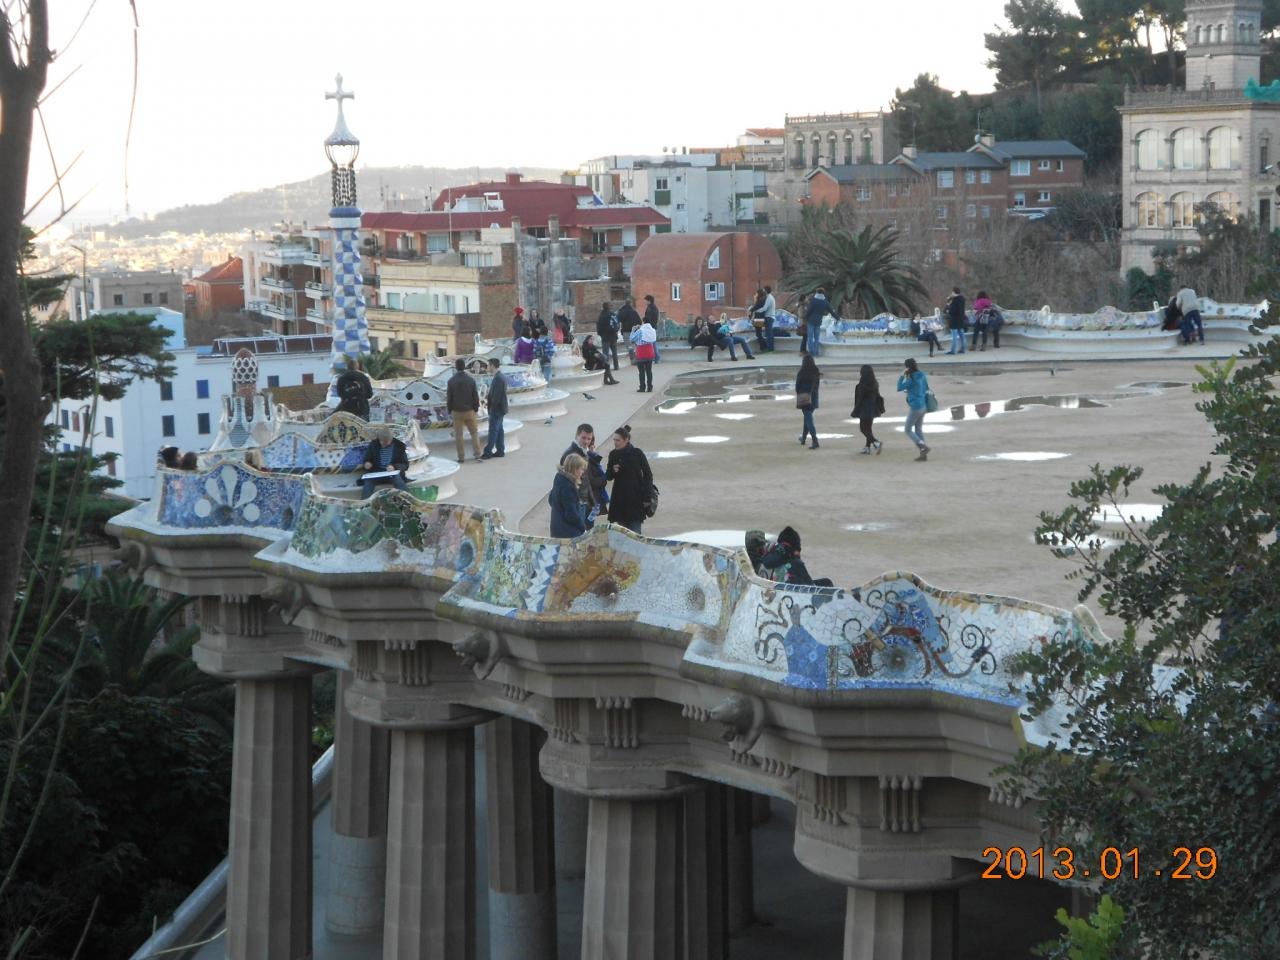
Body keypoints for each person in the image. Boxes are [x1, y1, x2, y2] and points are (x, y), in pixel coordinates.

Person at [606, 424, 654, 535]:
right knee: (623, 535)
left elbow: (648, 475)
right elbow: (608, 476)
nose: (615, 443)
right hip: (619, 500)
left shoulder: (637, 453)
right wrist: (613, 470)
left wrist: (647, 497)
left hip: (635, 499)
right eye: (614, 440)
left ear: (626, 440)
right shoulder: (613, 454)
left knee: (636, 535)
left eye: (618, 440)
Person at [562, 423, 609, 527]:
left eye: (589, 439)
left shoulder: (585, 452)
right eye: (583, 438)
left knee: (588, 531)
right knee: (583, 531)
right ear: (577, 436)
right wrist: (604, 479)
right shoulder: (572, 455)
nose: (586, 442)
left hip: (587, 502)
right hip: (581, 503)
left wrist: (593, 454)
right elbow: (587, 480)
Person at [446, 358, 484, 464]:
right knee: (474, 433)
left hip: (457, 412)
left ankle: (461, 457)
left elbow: (449, 398)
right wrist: (475, 408)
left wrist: (449, 410)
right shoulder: (471, 380)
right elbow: (475, 396)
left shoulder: (451, 381)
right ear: (464, 367)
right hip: (469, 411)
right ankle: (478, 454)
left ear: (456, 367)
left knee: (459, 435)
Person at [360, 426, 410, 498]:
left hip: (392, 474)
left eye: (386, 442)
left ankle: (408, 499)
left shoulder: (399, 446)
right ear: (379, 439)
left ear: (391, 440)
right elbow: (367, 459)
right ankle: (364, 503)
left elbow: (405, 465)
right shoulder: (373, 445)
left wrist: (394, 467)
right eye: (382, 442)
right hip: (376, 473)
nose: (384, 444)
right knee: (368, 481)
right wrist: (367, 464)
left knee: (397, 478)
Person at [897, 357, 930, 462]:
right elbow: (925, 388)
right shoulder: (922, 375)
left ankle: (923, 447)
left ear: (907, 367)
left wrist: (902, 376)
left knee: (907, 429)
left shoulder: (911, 378)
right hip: (923, 405)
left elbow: (899, 387)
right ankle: (923, 454)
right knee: (918, 429)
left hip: (915, 406)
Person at [550, 453, 589, 539]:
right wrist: (583, 528)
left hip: (556, 528)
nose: (582, 472)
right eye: (581, 469)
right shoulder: (568, 487)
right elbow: (571, 514)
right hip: (569, 532)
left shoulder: (559, 478)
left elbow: (550, 500)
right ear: (575, 469)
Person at [852, 364, 885, 455]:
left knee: (863, 429)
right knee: (868, 428)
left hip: (864, 409)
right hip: (873, 408)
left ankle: (876, 442)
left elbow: (860, 399)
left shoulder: (862, 384)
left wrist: (855, 410)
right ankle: (867, 447)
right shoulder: (875, 383)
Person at [481, 358, 508, 459]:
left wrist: (491, 409)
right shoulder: (500, 377)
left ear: (492, 366)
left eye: (488, 365)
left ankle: (488, 452)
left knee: (493, 431)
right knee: (499, 430)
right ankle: (500, 450)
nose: (487, 367)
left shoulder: (498, 379)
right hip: (500, 409)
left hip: (496, 409)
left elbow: (496, 397)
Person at [796, 353, 822, 450]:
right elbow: (817, 386)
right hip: (814, 397)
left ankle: (814, 439)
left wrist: (799, 394)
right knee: (807, 418)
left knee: (808, 418)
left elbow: (797, 386)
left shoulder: (801, 372)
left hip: (804, 397)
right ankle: (803, 438)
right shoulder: (816, 371)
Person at [632, 315, 657, 392]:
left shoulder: (640, 331)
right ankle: (650, 387)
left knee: (641, 372)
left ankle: (642, 387)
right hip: (649, 352)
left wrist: (633, 330)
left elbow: (632, 339)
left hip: (641, 353)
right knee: (649, 371)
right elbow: (653, 341)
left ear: (643, 322)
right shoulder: (653, 330)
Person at [803, 288, 832, 357]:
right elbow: (831, 311)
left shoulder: (813, 301)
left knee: (810, 337)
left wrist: (805, 317)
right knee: (817, 338)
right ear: (823, 293)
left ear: (816, 293)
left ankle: (811, 352)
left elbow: (809, 311)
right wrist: (838, 318)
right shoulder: (825, 302)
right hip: (818, 322)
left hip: (811, 321)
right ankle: (816, 352)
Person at [596, 301, 620, 371]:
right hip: (613, 336)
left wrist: (600, 334)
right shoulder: (613, 314)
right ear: (609, 307)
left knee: (605, 353)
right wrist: (615, 330)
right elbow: (617, 323)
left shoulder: (602, 316)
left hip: (605, 337)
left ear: (603, 307)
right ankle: (616, 366)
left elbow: (599, 327)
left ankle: (606, 367)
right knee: (614, 352)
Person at [945, 287, 967, 355]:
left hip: (954, 320)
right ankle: (963, 349)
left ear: (954, 292)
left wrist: (948, 307)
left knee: (954, 336)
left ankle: (953, 351)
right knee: (962, 335)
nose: (951, 293)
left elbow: (952, 310)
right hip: (961, 319)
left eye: (952, 292)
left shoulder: (955, 300)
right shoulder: (962, 299)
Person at [642, 294, 662, 362]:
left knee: (652, 343)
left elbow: (649, 318)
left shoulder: (650, 308)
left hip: (650, 327)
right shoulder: (654, 307)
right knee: (652, 343)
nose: (645, 302)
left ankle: (656, 358)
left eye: (646, 300)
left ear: (649, 301)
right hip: (653, 327)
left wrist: (644, 319)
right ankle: (655, 358)